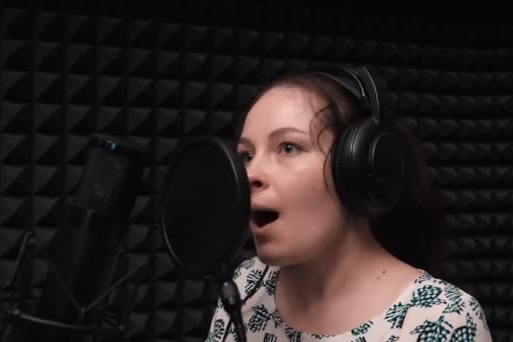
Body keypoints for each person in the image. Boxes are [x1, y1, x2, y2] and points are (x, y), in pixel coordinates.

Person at [205, 65, 492, 341]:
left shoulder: (442, 319)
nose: (250, 175)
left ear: (356, 168)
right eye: (247, 155)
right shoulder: (245, 286)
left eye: (288, 148)